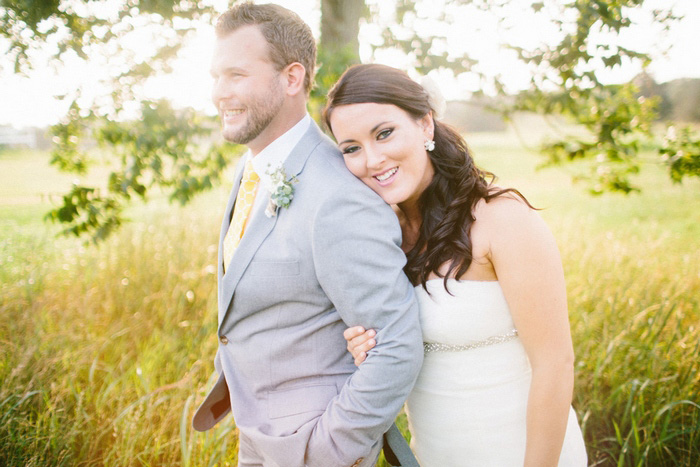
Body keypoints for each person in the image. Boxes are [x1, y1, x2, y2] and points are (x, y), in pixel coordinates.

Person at [191, 5, 423, 467]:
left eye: (236, 74)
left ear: (292, 77)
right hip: (258, 433)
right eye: (215, 76)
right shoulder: (254, 167)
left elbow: (396, 346)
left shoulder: (338, 194)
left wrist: (325, 451)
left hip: (312, 444)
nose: (220, 93)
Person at [323, 63, 588, 466]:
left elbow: (555, 364)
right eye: (352, 148)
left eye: (384, 133)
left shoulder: (500, 218)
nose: (373, 159)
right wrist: (370, 350)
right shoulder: (381, 240)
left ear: (426, 124)